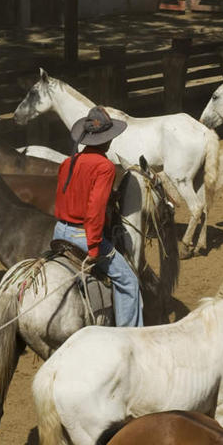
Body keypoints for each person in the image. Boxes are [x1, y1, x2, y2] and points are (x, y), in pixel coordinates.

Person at [53, 105, 143, 328]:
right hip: (82, 236)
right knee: (128, 281)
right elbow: (94, 211)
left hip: (59, 230)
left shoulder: (67, 163)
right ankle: (128, 336)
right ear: (107, 139)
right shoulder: (104, 167)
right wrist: (93, 247)